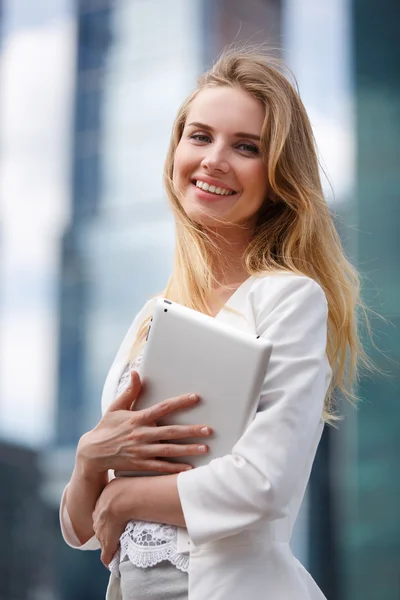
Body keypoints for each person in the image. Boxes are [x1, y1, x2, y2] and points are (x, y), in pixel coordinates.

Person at [60, 48, 371, 600]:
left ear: (277, 177)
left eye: (245, 147)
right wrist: (89, 459)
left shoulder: (288, 298)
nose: (214, 160)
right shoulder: (153, 312)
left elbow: (263, 484)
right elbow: (88, 531)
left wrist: (126, 497)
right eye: (199, 136)